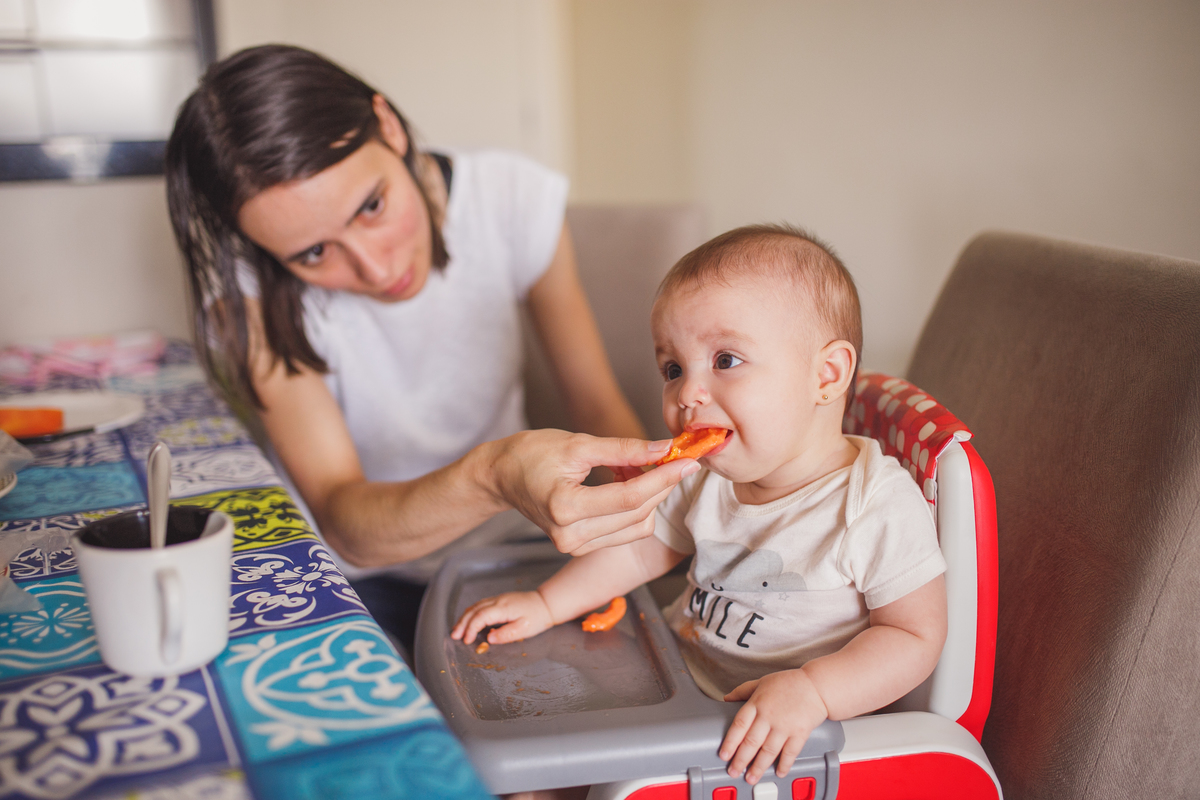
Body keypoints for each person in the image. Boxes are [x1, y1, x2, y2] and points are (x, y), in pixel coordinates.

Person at [164, 45, 698, 652]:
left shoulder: (507, 200)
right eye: (313, 253)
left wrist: (664, 508)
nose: (374, 266)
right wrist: (494, 475)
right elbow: (345, 525)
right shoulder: (248, 296)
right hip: (353, 579)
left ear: (388, 125)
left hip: (515, 548)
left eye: (372, 206)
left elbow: (595, 405)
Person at [453, 224, 948, 789]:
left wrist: (814, 690)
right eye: (673, 368)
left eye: (726, 359)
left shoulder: (872, 506)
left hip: (763, 749)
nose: (688, 393)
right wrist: (546, 603)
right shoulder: (707, 477)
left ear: (826, 375)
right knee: (529, 764)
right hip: (673, 694)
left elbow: (914, 637)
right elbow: (639, 552)